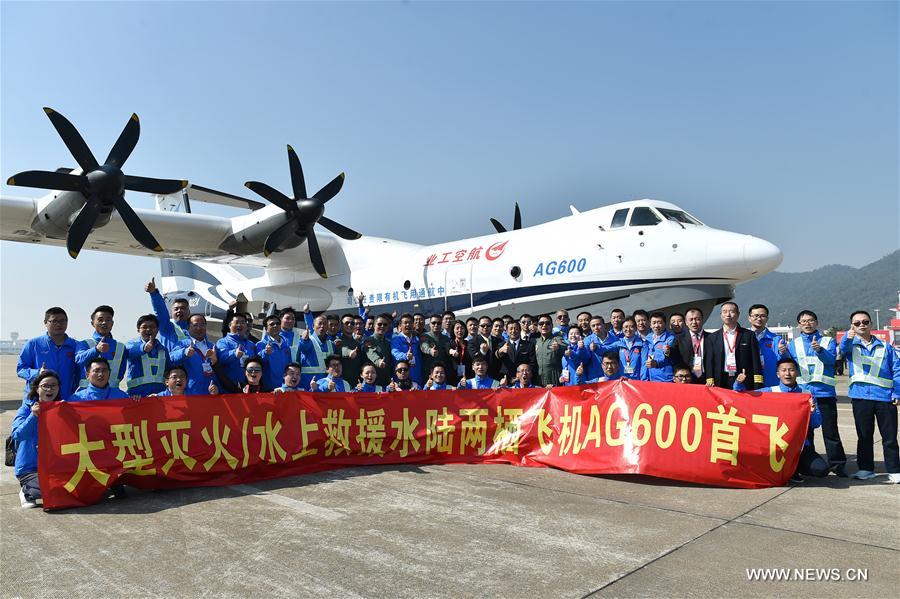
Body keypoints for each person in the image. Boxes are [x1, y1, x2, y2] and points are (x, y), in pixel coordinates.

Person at [735, 357, 828, 484]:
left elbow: (816, 424)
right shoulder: (770, 392)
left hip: (798, 447)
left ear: (797, 373)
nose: (787, 373)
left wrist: (811, 411)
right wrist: (739, 384)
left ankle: (795, 468)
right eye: (783, 370)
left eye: (791, 370)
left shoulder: (806, 394)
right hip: (773, 446)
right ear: (778, 374)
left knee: (821, 470)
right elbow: (744, 398)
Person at [839, 311, 900, 482]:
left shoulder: (886, 347)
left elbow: (897, 370)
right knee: (864, 436)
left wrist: (897, 392)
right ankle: (866, 469)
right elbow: (842, 350)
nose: (861, 325)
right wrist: (847, 336)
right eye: (857, 323)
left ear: (871, 324)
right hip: (861, 398)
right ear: (852, 326)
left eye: (865, 321)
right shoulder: (851, 345)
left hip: (885, 398)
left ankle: (895, 470)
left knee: (889, 437)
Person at [788, 309, 847, 477]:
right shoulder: (794, 343)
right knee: (806, 433)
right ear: (798, 324)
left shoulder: (828, 341)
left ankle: (838, 465)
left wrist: (820, 350)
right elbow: (790, 366)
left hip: (824, 394)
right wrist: (783, 352)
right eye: (803, 321)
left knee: (830, 432)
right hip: (803, 396)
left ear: (817, 322)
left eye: (811, 320)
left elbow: (831, 362)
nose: (807, 323)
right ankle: (810, 464)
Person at [11, 371, 62, 508]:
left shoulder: (62, 409)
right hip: (30, 467)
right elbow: (17, 435)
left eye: (53, 385)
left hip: (53, 465)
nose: (50, 389)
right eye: (45, 386)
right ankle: (26, 491)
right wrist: (33, 416)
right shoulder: (26, 409)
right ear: (37, 389)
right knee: (49, 488)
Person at [16, 307, 80, 400]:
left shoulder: (76, 346)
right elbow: (21, 369)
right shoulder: (33, 344)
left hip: (66, 399)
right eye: (54, 321)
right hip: (38, 399)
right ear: (45, 322)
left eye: (62, 321)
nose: (58, 324)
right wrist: (38, 373)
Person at [703, 302, 762, 390]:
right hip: (720, 379)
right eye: (724, 311)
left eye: (731, 311)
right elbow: (709, 361)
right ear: (721, 315)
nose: (728, 314)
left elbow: (755, 360)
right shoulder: (712, 337)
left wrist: (758, 384)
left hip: (743, 378)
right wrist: (710, 379)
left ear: (738, 314)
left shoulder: (749, 335)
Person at [75, 305, 127, 390]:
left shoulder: (121, 347)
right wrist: (96, 350)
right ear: (92, 323)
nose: (104, 322)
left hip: (112, 395)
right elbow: (78, 360)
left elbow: (121, 373)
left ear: (112, 323)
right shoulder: (84, 344)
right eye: (100, 320)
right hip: (87, 395)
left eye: (108, 320)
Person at [170, 314, 222, 396]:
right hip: (191, 393)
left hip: (211, 393)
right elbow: (172, 357)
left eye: (202, 325)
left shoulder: (212, 346)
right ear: (188, 327)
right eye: (195, 325)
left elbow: (219, 369)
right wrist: (184, 352)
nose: (199, 328)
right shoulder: (182, 344)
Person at [125, 314, 172, 397]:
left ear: (157, 329)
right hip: (137, 396)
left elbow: (168, 371)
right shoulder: (131, 345)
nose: (148, 329)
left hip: (158, 395)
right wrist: (143, 348)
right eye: (144, 327)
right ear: (138, 330)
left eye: (152, 326)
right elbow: (130, 351)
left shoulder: (163, 350)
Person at [747, 303, 788, 387]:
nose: (759, 319)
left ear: (767, 318)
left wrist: (783, 352)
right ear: (749, 318)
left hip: (771, 384)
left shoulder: (777, 340)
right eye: (756, 316)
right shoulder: (742, 338)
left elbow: (785, 362)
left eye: (763, 316)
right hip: (749, 384)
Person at [145, 277, 190, 352]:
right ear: (171, 313)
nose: (179, 311)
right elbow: (160, 311)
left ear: (189, 312)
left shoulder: (196, 328)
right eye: (176, 309)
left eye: (183, 308)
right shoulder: (166, 327)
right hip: (171, 363)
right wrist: (154, 293)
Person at [216, 313, 258, 388]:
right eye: (237, 322)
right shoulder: (222, 342)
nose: (239, 325)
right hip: (229, 387)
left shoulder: (251, 344)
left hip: (248, 387)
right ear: (229, 325)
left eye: (242, 322)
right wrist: (234, 354)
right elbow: (222, 358)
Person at [296, 314, 334, 389]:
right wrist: (304, 340)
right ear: (313, 326)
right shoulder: (308, 341)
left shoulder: (331, 344)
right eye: (320, 323)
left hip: (325, 386)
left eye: (325, 324)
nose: (322, 326)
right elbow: (303, 348)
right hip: (307, 385)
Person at [257, 315, 292, 392]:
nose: (275, 325)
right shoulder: (260, 345)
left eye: (277, 323)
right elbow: (258, 363)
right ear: (266, 329)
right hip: (268, 390)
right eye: (272, 324)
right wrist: (265, 353)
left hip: (285, 389)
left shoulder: (287, 344)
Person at [644, 311, 679, 382]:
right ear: (650, 325)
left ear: (665, 324)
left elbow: (670, 357)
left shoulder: (671, 338)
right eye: (654, 323)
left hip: (666, 379)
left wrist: (657, 363)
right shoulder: (648, 337)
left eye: (659, 322)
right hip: (651, 378)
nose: (656, 326)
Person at [676, 307, 708, 384]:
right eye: (691, 319)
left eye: (697, 319)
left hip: (707, 378)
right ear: (686, 322)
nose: (694, 322)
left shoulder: (711, 338)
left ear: (702, 320)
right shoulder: (678, 339)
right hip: (686, 379)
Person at [391, 314, 424, 386]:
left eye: (410, 322)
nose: (408, 325)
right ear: (400, 325)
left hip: (417, 377)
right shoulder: (396, 339)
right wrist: (405, 356)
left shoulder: (417, 339)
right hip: (402, 378)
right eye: (405, 323)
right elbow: (395, 353)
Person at [534, 315, 565, 387]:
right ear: (538, 326)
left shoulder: (558, 339)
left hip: (554, 381)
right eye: (541, 323)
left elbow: (567, 351)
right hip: (538, 382)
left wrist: (559, 348)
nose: (544, 325)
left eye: (547, 323)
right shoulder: (535, 342)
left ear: (552, 325)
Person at [363, 314, 393, 387]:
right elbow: (371, 353)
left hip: (386, 381)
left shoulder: (388, 342)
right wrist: (378, 361)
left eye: (385, 325)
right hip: (372, 382)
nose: (382, 326)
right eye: (379, 324)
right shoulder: (369, 340)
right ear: (374, 326)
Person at [420, 314, 451, 381]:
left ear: (442, 324)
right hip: (429, 374)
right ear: (429, 324)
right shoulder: (425, 336)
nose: (436, 325)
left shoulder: (446, 338)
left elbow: (448, 352)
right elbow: (423, 346)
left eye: (438, 323)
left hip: (442, 374)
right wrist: (430, 351)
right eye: (433, 323)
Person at [584, 315, 615, 381]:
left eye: (598, 324)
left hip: (612, 377)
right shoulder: (587, 340)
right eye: (593, 326)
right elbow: (584, 358)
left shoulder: (615, 339)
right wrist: (581, 349)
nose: (596, 328)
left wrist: (597, 348)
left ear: (604, 325)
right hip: (595, 378)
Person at [337, 314, 363, 387]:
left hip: (356, 382)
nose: (350, 325)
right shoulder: (338, 341)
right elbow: (342, 349)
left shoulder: (357, 343)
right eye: (347, 323)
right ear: (341, 326)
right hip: (342, 382)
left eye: (352, 323)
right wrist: (349, 352)